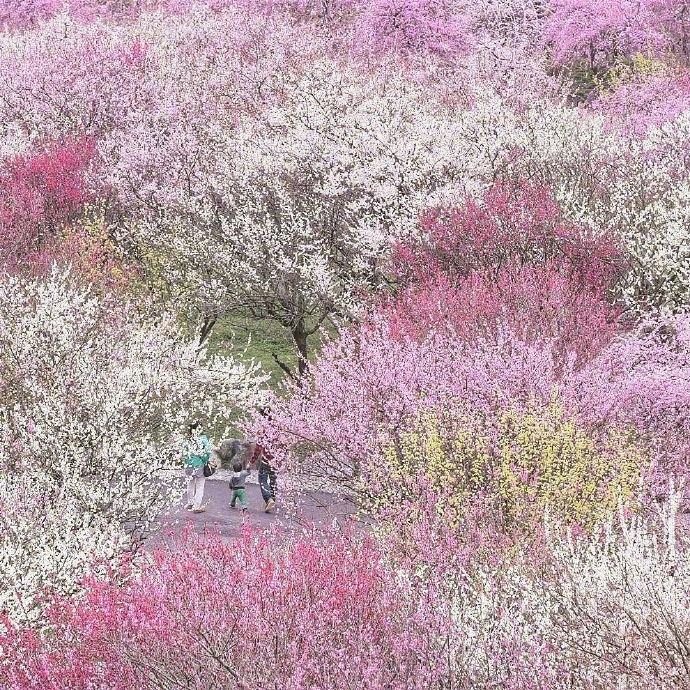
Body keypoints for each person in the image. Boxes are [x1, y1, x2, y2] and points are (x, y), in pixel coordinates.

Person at [183, 420, 212, 513]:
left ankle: (190, 502)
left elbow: (183, 451)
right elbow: (207, 451)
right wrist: (206, 460)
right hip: (199, 464)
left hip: (188, 464)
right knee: (200, 486)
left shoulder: (187, 439)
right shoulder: (203, 438)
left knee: (190, 484)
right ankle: (196, 506)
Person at [250, 442, 276, 513]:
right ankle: (273, 498)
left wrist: (252, 462)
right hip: (277, 461)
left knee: (262, 479)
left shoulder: (264, 432)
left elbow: (258, 448)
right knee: (273, 479)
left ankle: (268, 499)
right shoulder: (284, 433)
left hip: (265, 461)